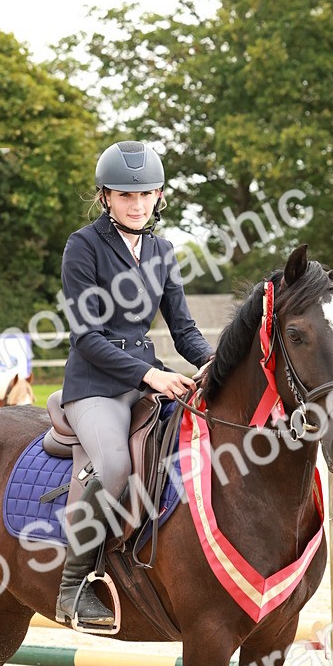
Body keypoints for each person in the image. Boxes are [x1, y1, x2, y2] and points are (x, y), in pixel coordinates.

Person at [56, 139, 215, 630]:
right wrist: (151, 375)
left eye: (147, 195)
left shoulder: (162, 251)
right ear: (105, 197)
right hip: (95, 387)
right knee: (114, 464)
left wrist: (212, 362)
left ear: (159, 196)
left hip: (146, 381)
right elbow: (86, 336)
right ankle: (72, 586)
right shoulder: (83, 246)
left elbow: (184, 329)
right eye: (127, 196)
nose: (138, 204)